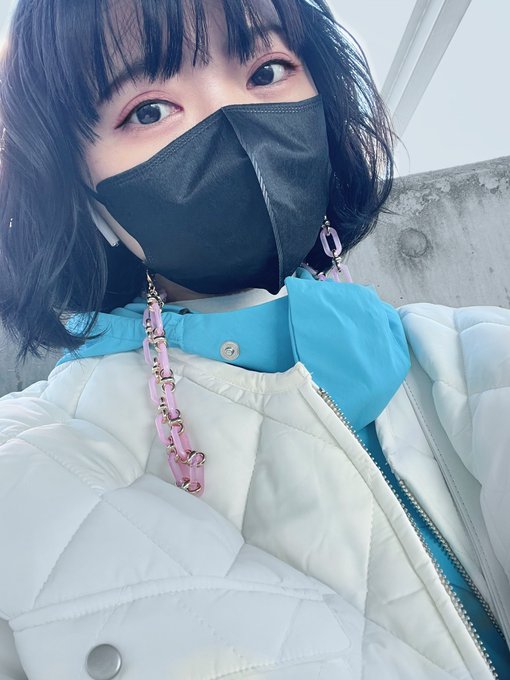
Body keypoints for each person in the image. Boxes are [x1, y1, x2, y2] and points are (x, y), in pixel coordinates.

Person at [0, 0, 508, 677]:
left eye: (268, 70)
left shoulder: (478, 354)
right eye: (148, 110)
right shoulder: (30, 478)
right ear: (82, 193)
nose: (232, 120)